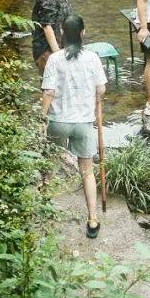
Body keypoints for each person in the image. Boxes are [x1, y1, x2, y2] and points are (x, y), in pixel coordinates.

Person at [41, 13, 106, 238]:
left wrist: (41, 118)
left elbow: (48, 92)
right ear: (83, 33)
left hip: (58, 121)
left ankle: (44, 206)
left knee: (48, 165)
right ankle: (93, 219)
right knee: (87, 171)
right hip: (84, 122)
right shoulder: (93, 58)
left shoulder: (54, 59)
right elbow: (101, 90)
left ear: (61, 33)